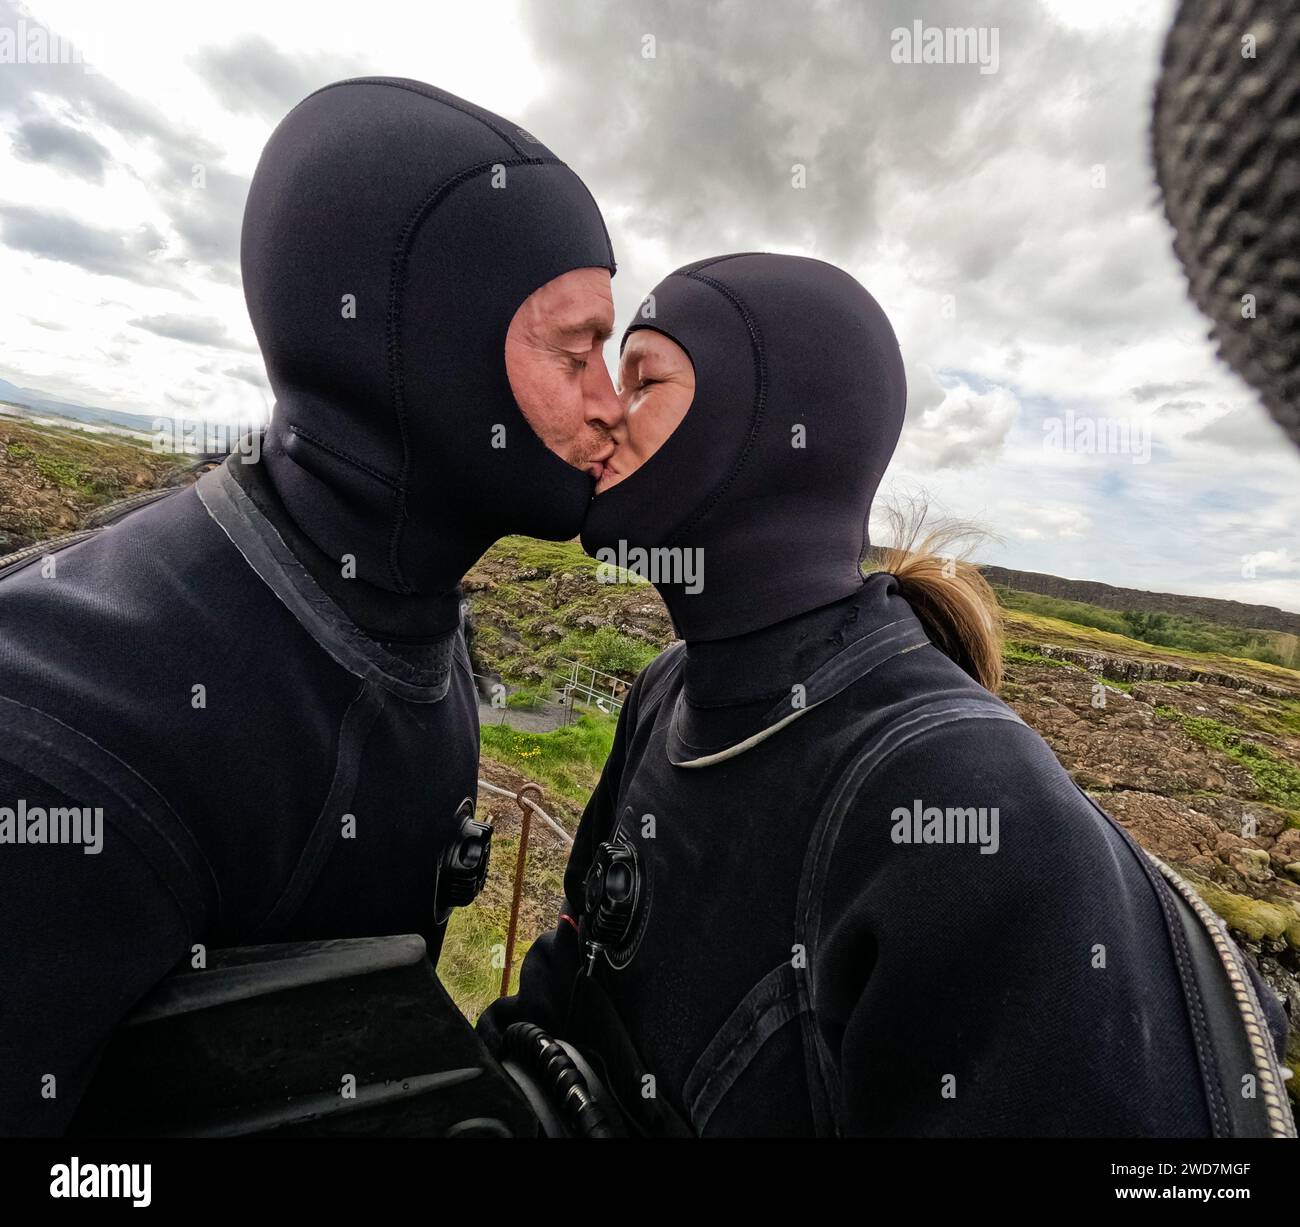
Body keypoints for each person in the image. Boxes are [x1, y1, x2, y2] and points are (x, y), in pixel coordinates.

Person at [479, 252, 1296, 1138]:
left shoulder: (965, 796)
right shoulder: (667, 693)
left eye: (642, 378)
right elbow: (565, 986)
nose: (601, 411)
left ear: (761, 426)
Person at [0, 76, 623, 1136]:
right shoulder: (58, 722)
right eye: (576, 352)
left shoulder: (412, 624)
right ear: (418, 355)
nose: (608, 403)